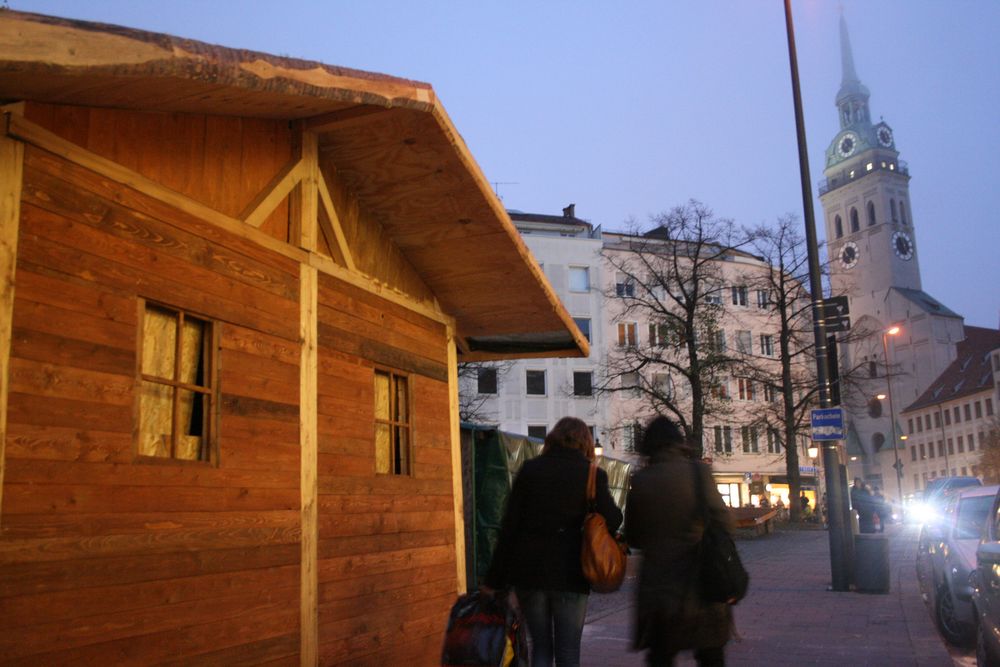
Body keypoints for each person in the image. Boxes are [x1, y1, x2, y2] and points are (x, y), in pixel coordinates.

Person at [484, 416, 623, 667]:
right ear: (585, 443)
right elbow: (613, 518)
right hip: (571, 574)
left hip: (530, 574)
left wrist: (494, 580)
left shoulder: (529, 470)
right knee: (568, 652)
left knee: (541, 648)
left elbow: (510, 527)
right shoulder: (593, 475)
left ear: (553, 439)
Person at [625, 416, 733, 666]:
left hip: (659, 588)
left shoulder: (640, 481)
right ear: (678, 442)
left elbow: (634, 536)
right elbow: (725, 523)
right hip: (701, 582)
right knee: (710, 654)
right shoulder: (699, 473)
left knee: (661, 655)